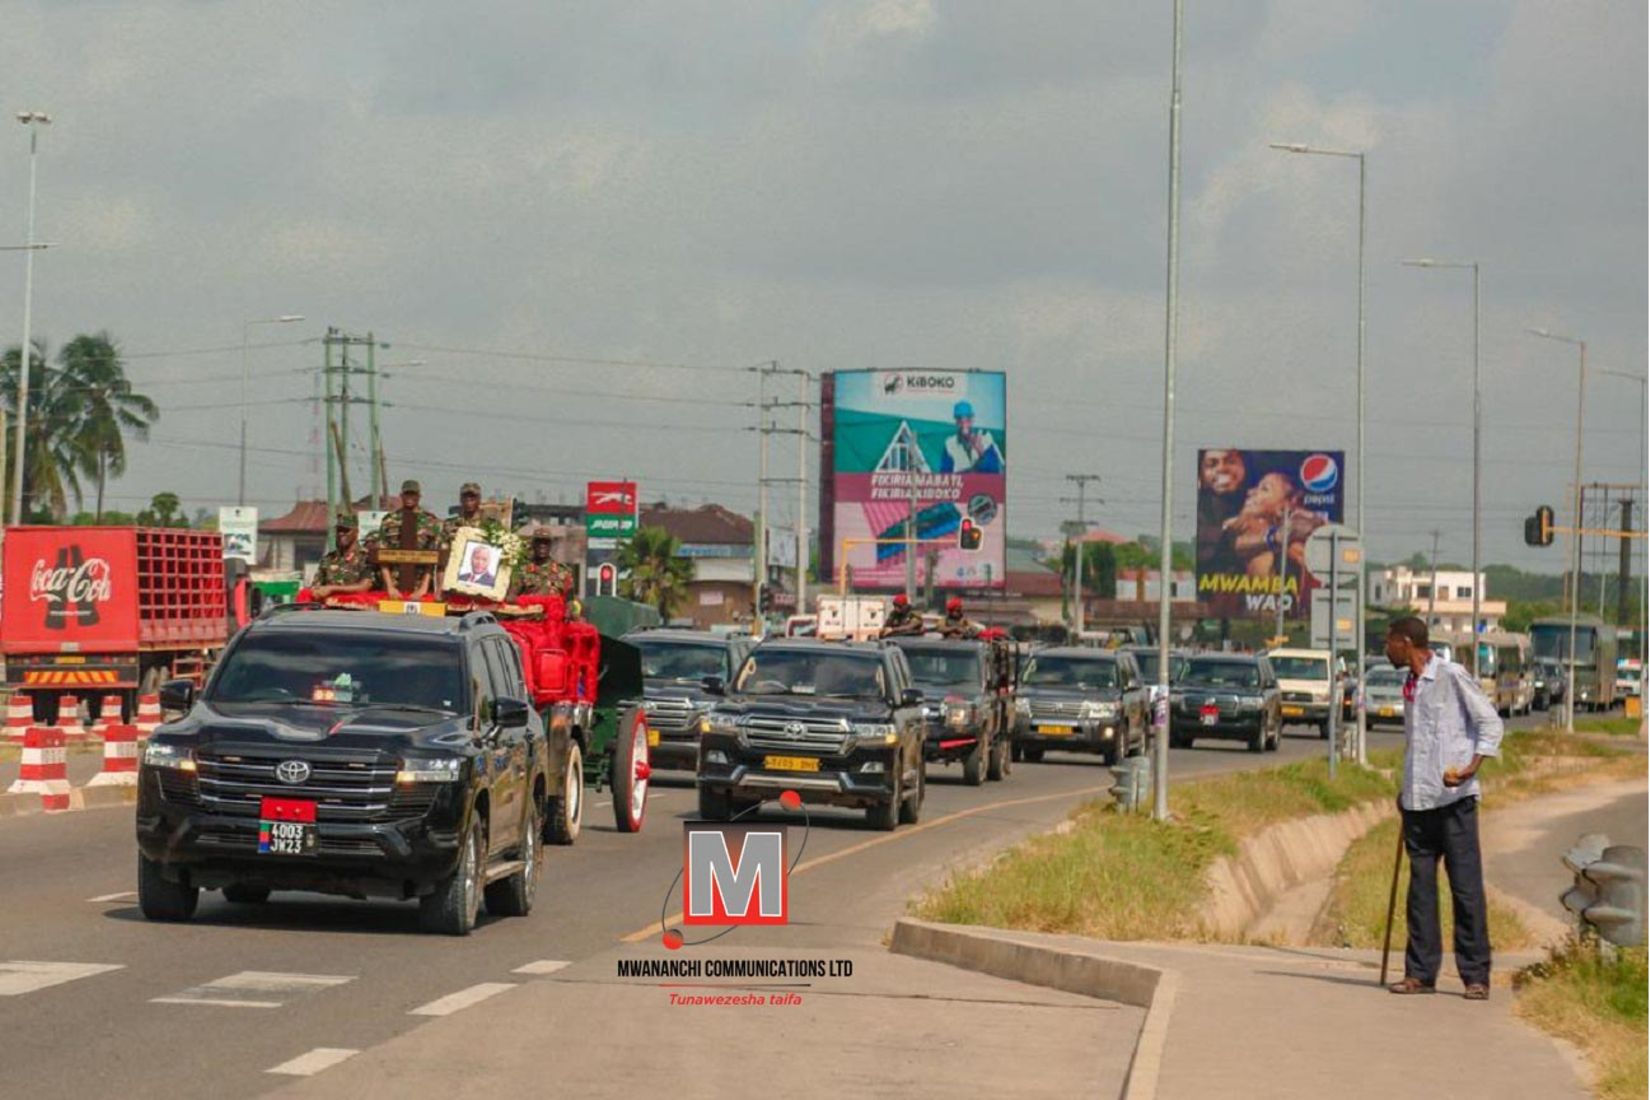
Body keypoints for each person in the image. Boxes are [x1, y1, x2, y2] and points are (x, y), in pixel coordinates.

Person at [1385, 615, 1503, 1001]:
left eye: (1390, 642)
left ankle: (1475, 975)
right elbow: (1417, 746)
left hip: (1455, 803)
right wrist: (1406, 791)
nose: (1387, 649)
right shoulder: (1411, 685)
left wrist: (1470, 769)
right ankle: (1420, 973)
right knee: (1419, 891)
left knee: (1465, 890)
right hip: (1418, 804)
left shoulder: (1451, 676)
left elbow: (1490, 725)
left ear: (1405, 642)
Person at [377, 479, 443, 598]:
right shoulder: (389, 520)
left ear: (419, 496)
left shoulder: (431, 521)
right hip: (394, 586)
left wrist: (423, 588)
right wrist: (390, 587)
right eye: (407, 494)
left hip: (421, 587)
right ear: (401, 496)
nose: (410, 497)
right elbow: (381, 556)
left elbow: (434, 557)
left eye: (413, 494)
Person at [311, 511, 375, 599]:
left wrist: (332, 589)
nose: (341, 534)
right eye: (338, 530)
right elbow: (315, 587)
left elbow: (364, 587)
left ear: (356, 532)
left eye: (346, 530)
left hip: (358, 610)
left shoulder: (367, 557)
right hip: (329, 610)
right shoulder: (328, 559)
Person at [939, 400, 1003, 474]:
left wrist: (981, 453)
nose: (964, 424)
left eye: (967, 419)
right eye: (960, 419)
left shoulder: (985, 439)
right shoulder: (949, 444)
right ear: (956, 421)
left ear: (972, 419)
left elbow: (995, 470)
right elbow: (945, 474)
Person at [510, 525, 572, 599]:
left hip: (555, 609)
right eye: (538, 542)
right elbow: (511, 596)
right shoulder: (522, 570)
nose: (542, 546)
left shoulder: (563, 570)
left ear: (550, 545)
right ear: (533, 544)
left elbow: (570, 599)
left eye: (546, 542)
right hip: (531, 609)